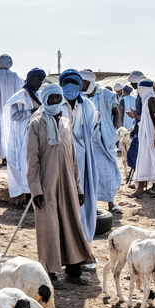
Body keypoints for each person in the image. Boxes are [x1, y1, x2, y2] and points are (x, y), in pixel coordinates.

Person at [27, 83, 94, 287]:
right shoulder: (36, 124)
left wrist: (78, 188)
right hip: (46, 186)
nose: (55, 102)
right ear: (45, 100)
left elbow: (73, 158)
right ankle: (50, 274)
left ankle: (74, 272)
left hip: (67, 184)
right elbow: (32, 160)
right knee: (50, 228)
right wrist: (36, 190)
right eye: (51, 98)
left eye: (58, 98)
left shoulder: (66, 123)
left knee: (71, 226)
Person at [60, 70, 99, 243]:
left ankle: (81, 239)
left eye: (73, 82)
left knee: (80, 195)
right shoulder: (54, 103)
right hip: (60, 157)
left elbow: (91, 128)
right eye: (66, 82)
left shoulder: (88, 106)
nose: (70, 86)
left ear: (79, 86)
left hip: (81, 158)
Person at [81, 69, 122, 210]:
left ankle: (111, 203)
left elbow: (116, 112)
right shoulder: (80, 97)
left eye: (82, 81)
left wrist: (113, 131)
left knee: (108, 170)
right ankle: (91, 204)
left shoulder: (106, 94)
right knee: (88, 171)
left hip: (105, 139)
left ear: (90, 82)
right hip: (88, 140)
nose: (80, 84)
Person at [3, 68, 46, 200]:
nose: (40, 83)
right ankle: (28, 195)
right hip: (23, 135)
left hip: (35, 133)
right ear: (31, 79)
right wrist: (31, 112)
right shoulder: (20, 96)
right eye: (39, 80)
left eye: (42, 81)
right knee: (26, 163)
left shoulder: (37, 95)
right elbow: (14, 116)